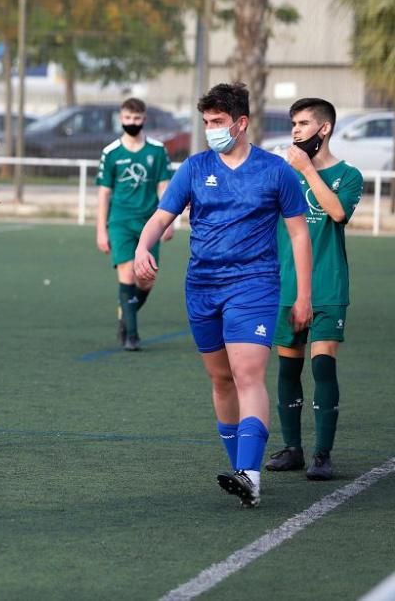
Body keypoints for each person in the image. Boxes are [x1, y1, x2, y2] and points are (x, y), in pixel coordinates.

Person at [133, 82, 313, 508]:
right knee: (220, 378)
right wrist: (143, 247)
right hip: (202, 287)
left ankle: (249, 474)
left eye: (217, 122)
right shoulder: (194, 168)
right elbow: (161, 216)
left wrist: (303, 295)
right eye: (207, 122)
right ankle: (241, 473)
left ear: (241, 122)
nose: (211, 129)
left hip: (254, 285)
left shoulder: (275, 171)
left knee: (247, 374)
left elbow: (299, 234)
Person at [266, 97, 363, 481]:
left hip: (327, 286)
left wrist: (306, 168)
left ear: (323, 129)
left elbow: (337, 212)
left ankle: (322, 455)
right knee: (288, 368)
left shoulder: (349, 175)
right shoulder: (280, 172)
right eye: (293, 123)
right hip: (286, 285)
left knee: (322, 366)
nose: (295, 130)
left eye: (304, 123)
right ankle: (293, 449)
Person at [95, 97, 175, 351]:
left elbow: (164, 187)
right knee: (128, 273)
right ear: (121, 119)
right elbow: (104, 193)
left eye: (137, 119)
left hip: (150, 223)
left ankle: (126, 314)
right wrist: (101, 230)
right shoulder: (111, 153)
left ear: (144, 119)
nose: (132, 123)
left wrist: (170, 221)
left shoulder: (157, 150)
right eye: (128, 118)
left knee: (146, 280)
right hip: (120, 222)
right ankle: (132, 335)